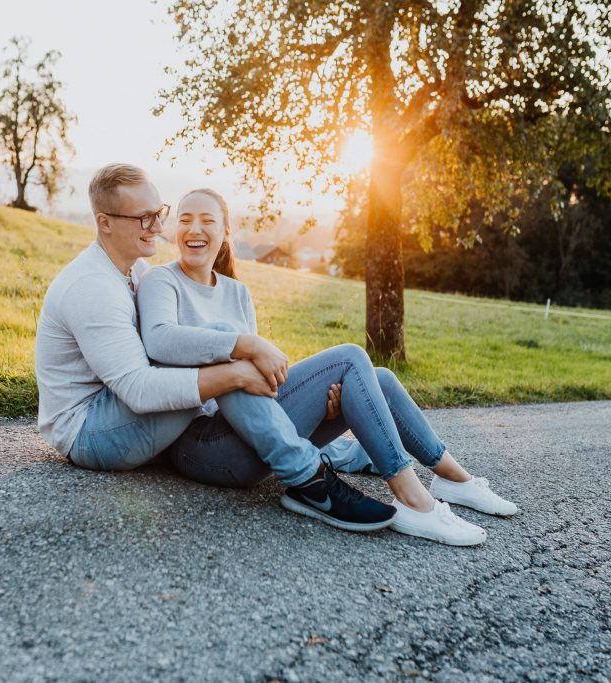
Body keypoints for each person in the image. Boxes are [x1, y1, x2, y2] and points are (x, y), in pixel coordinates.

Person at [138, 188, 520, 546]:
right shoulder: (162, 281)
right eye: (185, 219)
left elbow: (258, 386)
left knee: (379, 378)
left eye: (206, 220)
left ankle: (454, 478)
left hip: (249, 432)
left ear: (224, 232)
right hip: (202, 446)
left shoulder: (236, 292)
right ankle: (413, 500)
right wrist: (247, 343)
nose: (194, 229)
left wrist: (323, 408)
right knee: (350, 357)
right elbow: (159, 339)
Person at [34, 163, 395, 533]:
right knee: (216, 348)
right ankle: (310, 479)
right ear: (105, 223)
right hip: (91, 431)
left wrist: (307, 404)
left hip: (127, 413)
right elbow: (140, 390)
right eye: (144, 219)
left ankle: (325, 456)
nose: (159, 229)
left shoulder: (137, 271)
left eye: (159, 214)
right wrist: (235, 369)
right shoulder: (93, 286)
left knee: (209, 346)